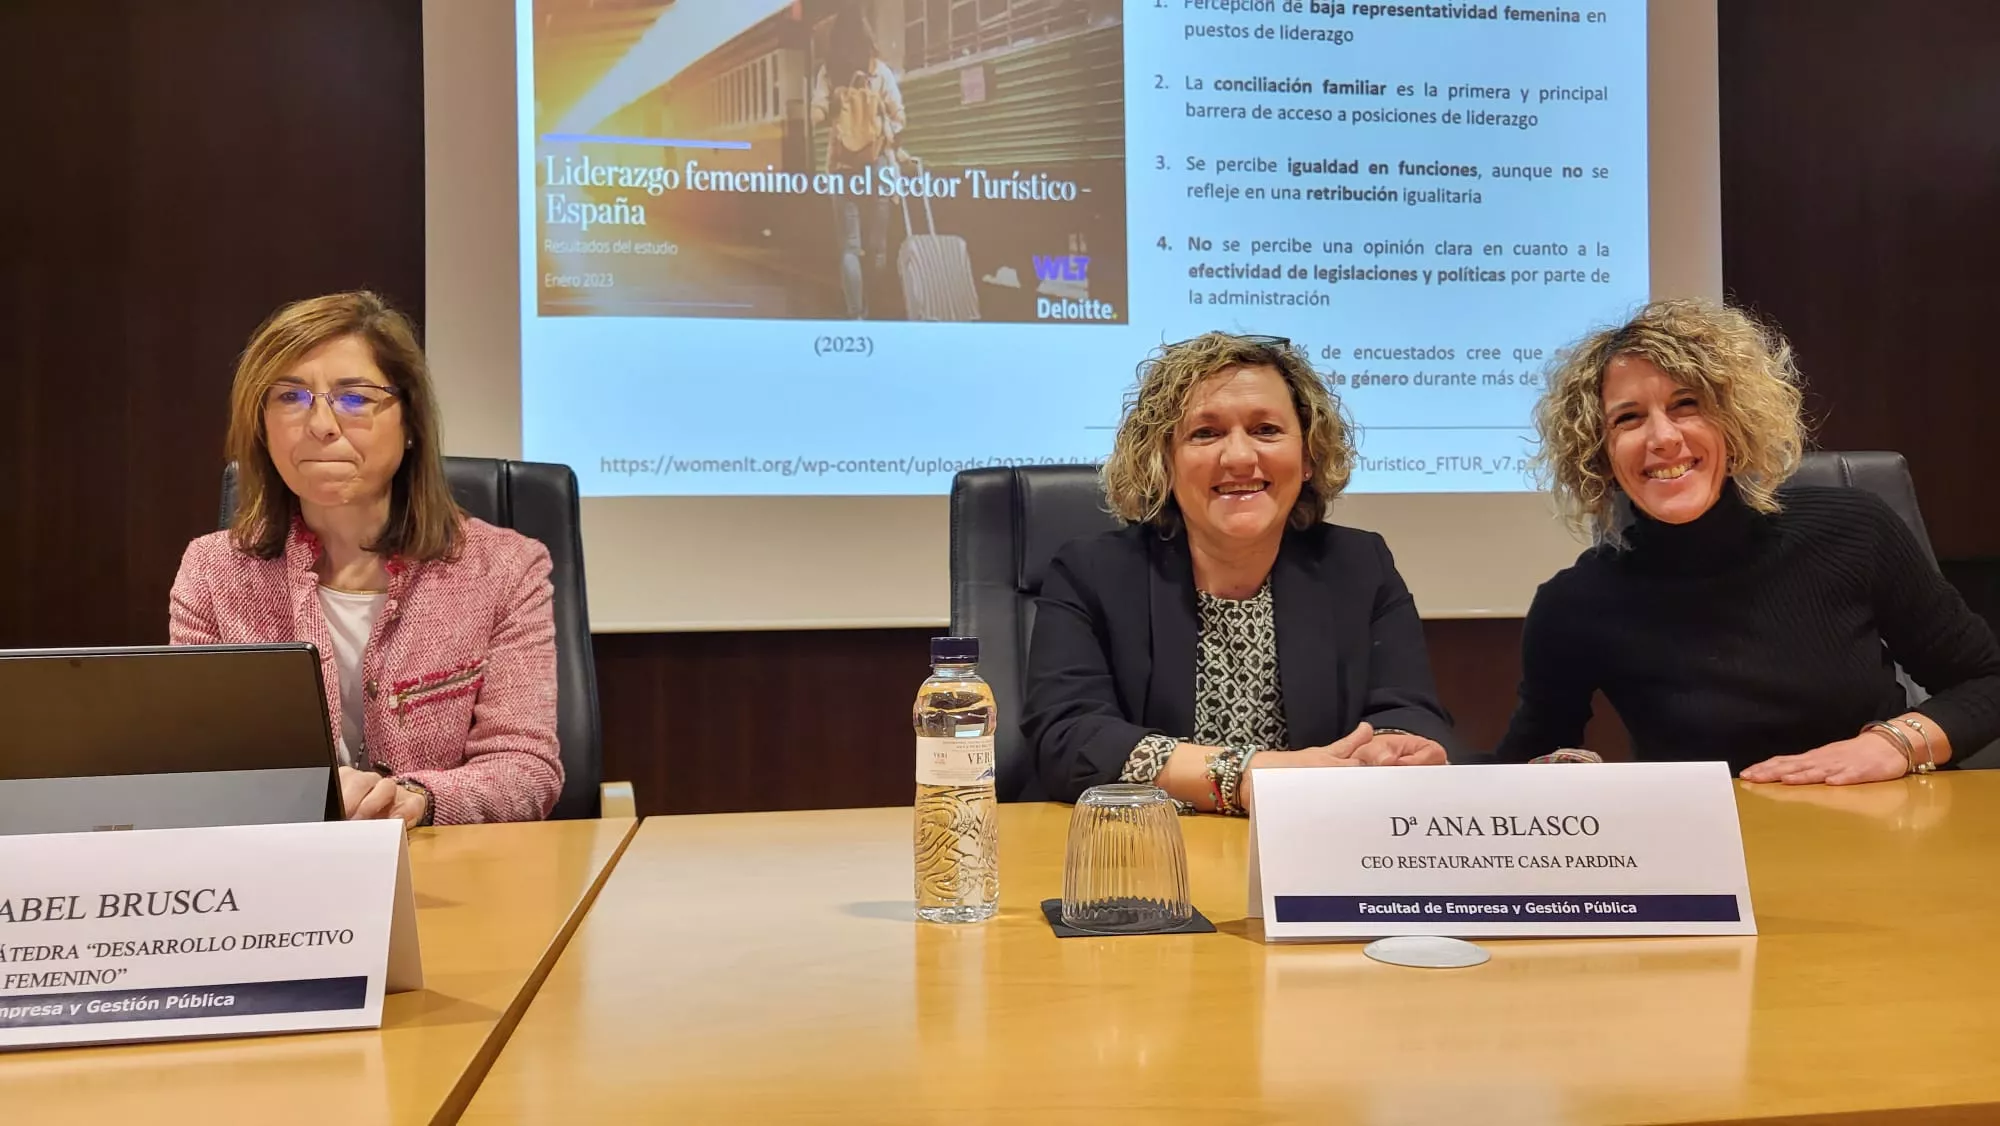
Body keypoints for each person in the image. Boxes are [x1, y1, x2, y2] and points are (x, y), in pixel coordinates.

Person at [1497, 299, 2000, 782]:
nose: (1663, 437)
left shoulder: (1856, 531)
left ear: (1734, 425)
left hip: (1881, 832)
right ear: (1599, 454)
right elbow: (1528, 761)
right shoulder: (1574, 603)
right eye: (1628, 418)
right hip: (1709, 853)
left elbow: (1986, 682)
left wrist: (1894, 743)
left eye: (1687, 405)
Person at [170, 291, 563, 825]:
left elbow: (525, 769)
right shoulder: (213, 571)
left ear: (410, 425)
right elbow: (196, 764)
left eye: (354, 398)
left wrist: (416, 799)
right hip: (282, 871)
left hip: (448, 871)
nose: (322, 425)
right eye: (290, 397)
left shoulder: (505, 568)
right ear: (261, 427)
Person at [1022, 333, 1458, 812]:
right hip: (1140, 854)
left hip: (1307, 846)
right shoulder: (1092, 573)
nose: (1239, 458)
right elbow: (1070, 737)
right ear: (1163, 459)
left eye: (1266, 430)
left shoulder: (1359, 565)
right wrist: (1245, 777)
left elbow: (1407, 708)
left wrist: (1390, 750)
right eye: (1205, 434)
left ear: (1308, 456)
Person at [809, 5, 905, 319]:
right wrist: (887, 133)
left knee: (850, 247)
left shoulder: (828, 72)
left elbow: (815, 116)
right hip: (879, 165)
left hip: (843, 166)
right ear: (867, 37)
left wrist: (835, 105)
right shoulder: (880, 71)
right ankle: (879, 309)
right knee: (878, 247)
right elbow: (900, 117)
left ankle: (857, 315)